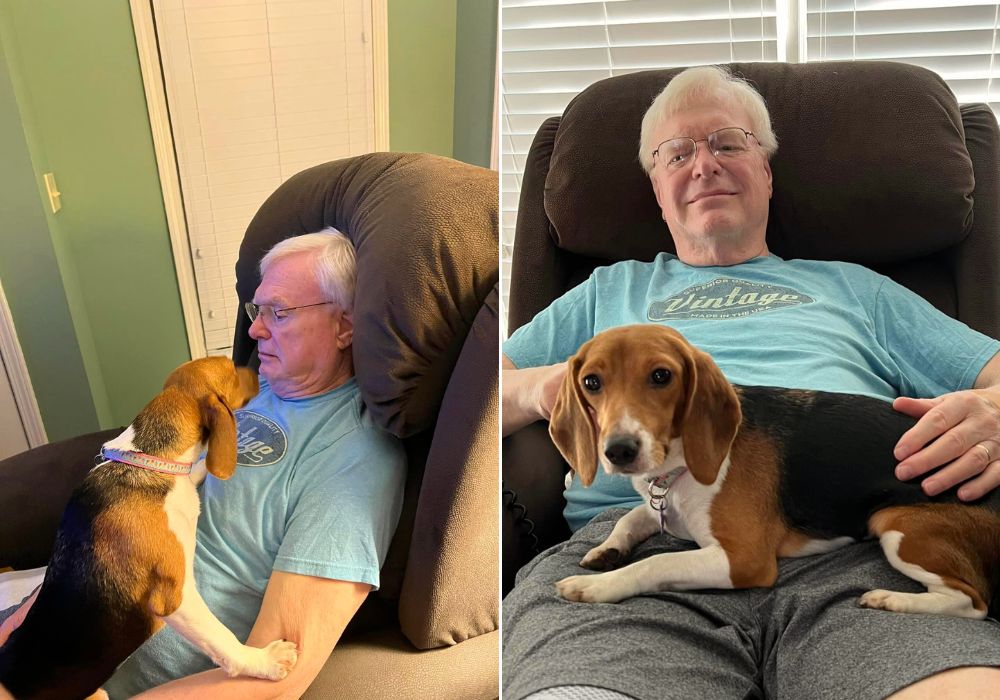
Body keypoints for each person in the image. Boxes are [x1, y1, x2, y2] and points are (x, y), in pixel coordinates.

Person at [502, 66, 1000, 699]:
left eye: (728, 144)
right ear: (657, 190)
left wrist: (994, 410)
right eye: (677, 153)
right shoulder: (606, 292)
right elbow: (485, 396)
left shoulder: (858, 287)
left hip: (856, 557)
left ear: (766, 172)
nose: (703, 165)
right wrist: (548, 389)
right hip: (632, 546)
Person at [1, 229, 407, 698]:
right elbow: (116, 519)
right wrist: (28, 613)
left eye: (279, 312)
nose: (254, 329)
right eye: (257, 311)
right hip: (46, 639)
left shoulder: (355, 457)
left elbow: (279, 673)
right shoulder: (249, 392)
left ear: (345, 325)